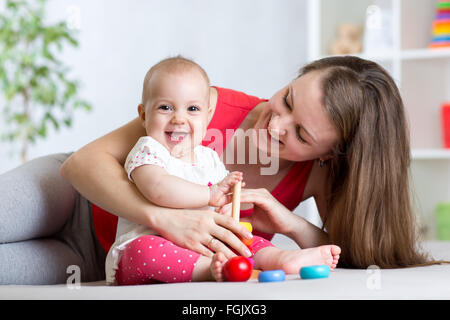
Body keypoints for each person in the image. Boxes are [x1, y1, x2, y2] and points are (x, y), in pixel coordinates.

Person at [0, 55, 437, 285]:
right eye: (286, 98)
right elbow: (84, 164)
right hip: (70, 197)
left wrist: (289, 222)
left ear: (331, 155)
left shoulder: (317, 176)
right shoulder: (204, 105)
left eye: (301, 133)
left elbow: (347, 252)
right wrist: (164, 217)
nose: (274, 122)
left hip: (101, 260)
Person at [107, 57, 340, 285]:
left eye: (192, 109)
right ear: (144, 115)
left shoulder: (207, 156)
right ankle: (210, 271)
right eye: (165, 108)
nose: (179, 118)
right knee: (145, 252)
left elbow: (222, 205)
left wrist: (230, 205)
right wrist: (211, 194)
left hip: (205, 244)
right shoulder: (149, 149)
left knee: (247, 239)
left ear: (208, 116)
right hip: (148, 244)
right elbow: (157, 189)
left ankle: (281, 259)